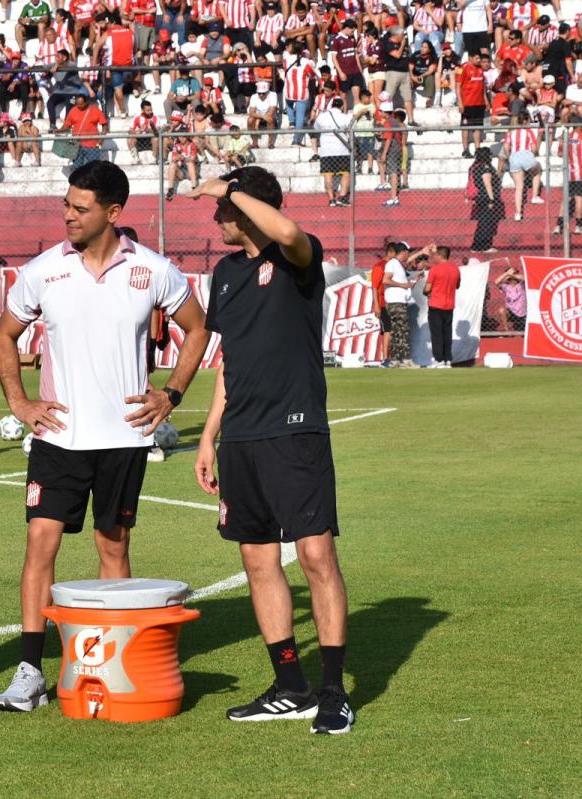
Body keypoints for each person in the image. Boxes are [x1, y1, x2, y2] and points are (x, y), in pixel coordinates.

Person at [0, 160, 209, 713]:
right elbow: (5, 336)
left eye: (80, 208)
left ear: (113, 213)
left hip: (125, 439)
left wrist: (172, 395)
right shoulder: (42, 271)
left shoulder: (154, 269)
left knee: (114, 547)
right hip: (58, 438)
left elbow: (198, 327)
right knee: (41, 544)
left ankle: (117, 660)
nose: (68, 216)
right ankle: (28, 670)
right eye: (66, 205)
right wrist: (19, 402)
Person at [187, 166, 352, 734]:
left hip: (294, 431)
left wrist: (230, 190)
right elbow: (229, 363)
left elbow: (285, 234)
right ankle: (290, 685)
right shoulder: (224, 275)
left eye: (225, 210)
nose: (216, 218)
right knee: (258, 562)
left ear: (247, 205)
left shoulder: (297, 259)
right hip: (240, 440)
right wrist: (209, 436)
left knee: (315, 559)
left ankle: (333, 692)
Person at [382, 240, 421, 367]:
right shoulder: (392, 264)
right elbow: (385, 280)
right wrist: (403, 285)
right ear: (403, 252)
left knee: (398, 331)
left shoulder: (398, 265)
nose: (408, 256)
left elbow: (405, 286)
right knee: (403, 330)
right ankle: (405, 360)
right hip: (395, 303)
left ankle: (395, 360)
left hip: (399, 302)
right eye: (407, 253)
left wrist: (414, 281)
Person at [423, 245, 461, 367]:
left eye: (435, 255)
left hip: (436, 305)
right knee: (447, 333)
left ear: (440, 255)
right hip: (449, 305)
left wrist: (425, 291)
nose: (434, 258)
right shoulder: (455, 269)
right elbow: (457, 285)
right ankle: (447, 359)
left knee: (436, 334)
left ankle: (438, 359)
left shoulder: (435, 269)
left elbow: (427, 289)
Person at [468, 146, 504, 252]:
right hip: (486, 198)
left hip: (480, 197)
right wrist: (491, 199)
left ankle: (478, 246)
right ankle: (483, 245)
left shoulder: (475, 166)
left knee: (482, 222)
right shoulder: (485, 167)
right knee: (486, 223)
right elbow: (487, 183)